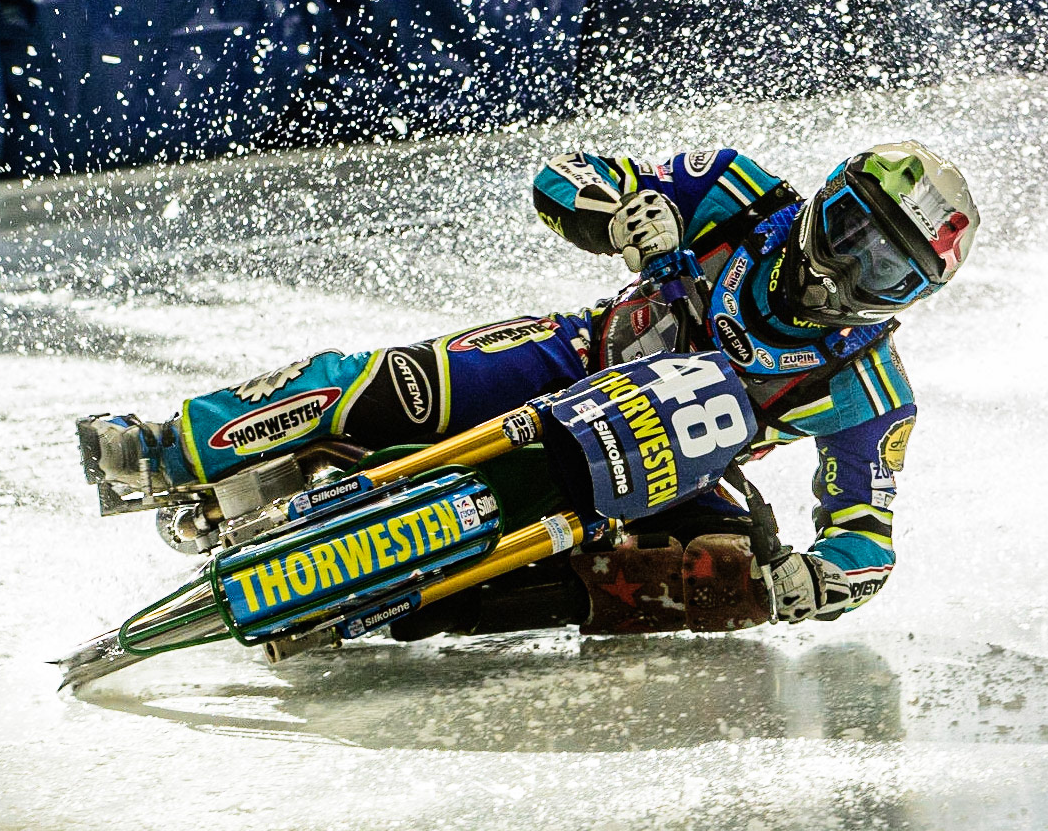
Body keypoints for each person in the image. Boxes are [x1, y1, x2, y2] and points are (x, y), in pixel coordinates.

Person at [78, 142, 977, 627]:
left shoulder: (873, 388)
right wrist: (616, 213)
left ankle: (428, 603)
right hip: (575, 356)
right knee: (376, 384)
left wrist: (813, 584)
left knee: (726, 576)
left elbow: (867, 539)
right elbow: (567, 176)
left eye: (886, 273)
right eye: (855, 232)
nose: (846, 272)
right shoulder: (736, 193)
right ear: (827, 198)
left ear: (913, 300)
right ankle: (165, 448)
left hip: (670, 472)